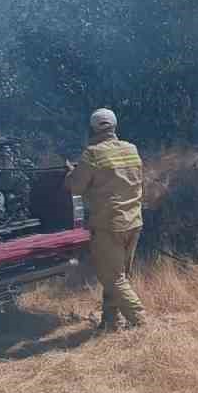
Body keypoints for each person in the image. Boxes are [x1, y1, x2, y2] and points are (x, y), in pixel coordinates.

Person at [64, 109, 146, 331]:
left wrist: (71, 172)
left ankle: (141, 322)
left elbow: (75, 187)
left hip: (109, 225)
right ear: (114, 126)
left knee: (113, 279)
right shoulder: (131, 149)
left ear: (92, 128)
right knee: (119, 276)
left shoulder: (92, 154)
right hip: (134, 221)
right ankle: (111, 322)